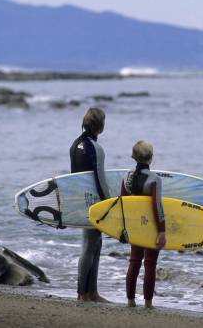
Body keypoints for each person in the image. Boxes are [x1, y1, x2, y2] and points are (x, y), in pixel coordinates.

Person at [70, 107, 110, 302]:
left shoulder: (75, 144)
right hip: (95, 204)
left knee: (94, 243)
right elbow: (100, 180)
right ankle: (83, 294)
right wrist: (110, 204)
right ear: (101, 127)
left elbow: (74, 178)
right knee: (89, 245)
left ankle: (91, 292)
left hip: (81, 201)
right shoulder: (96, 148)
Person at [120, 140, 166, 309]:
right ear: (151, 158)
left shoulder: (127, 177)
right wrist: (162, 231)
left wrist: (124, 227)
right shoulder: (154, 179)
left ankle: (130, 301)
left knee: (134, 261)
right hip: (151, 226)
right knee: (150, 264)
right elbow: (157, 206)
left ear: (134, 157)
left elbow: (123, 204)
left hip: (134, 226)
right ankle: (148, 303)